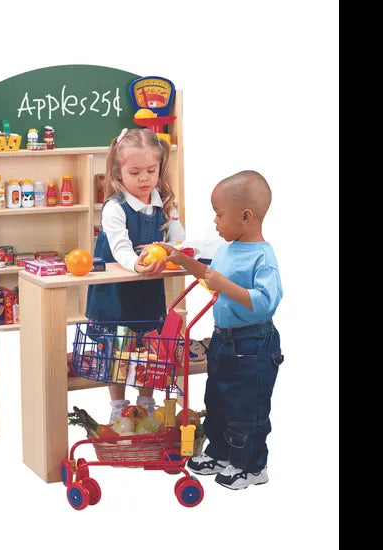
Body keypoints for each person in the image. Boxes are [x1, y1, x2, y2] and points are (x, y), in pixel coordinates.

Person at [157, 170, 284, 490]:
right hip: (223, 339)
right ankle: (220, 453)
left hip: (253, 342)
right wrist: (183, 261)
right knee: (218, 399)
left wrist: (224, 285)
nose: (215, 221)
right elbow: (209, 276)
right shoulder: (228, 248)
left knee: (246, 407)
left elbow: (266, 302)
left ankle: (251, 466)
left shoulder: (263, 256)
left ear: (246, 217)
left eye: (219, 214)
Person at [85, 127, 185, 422]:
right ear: (118, 173)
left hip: (147, 290)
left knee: (149, 347)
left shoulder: (165, 204)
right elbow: (120, 248)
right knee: (115, 350)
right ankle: (118, 407)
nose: (144, 179)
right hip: (114, 292)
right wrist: (138, 263)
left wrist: (168, 251)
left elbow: (178, 240)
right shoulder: (114, 207)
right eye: (135, 172)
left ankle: (146, 404)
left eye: (151, 171)